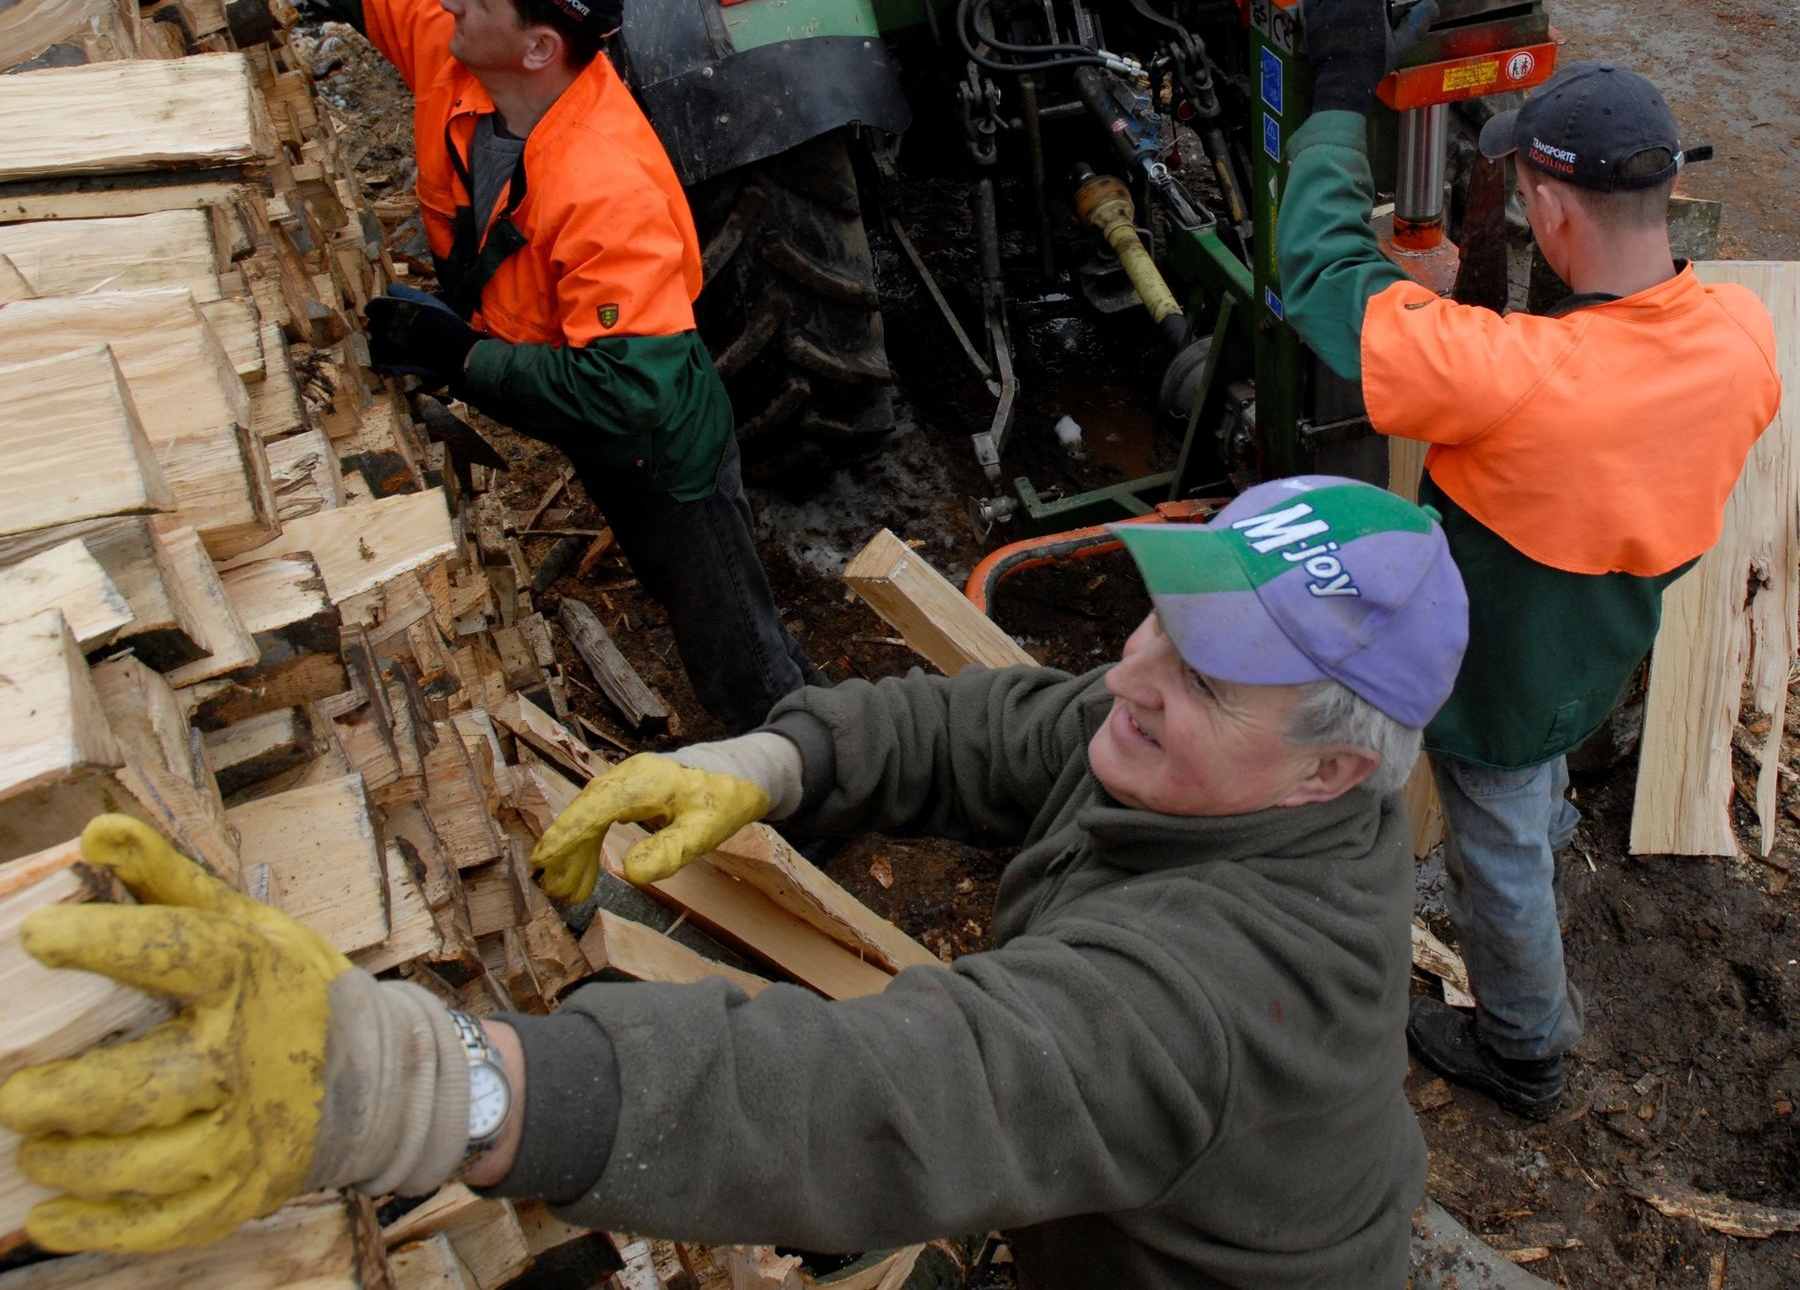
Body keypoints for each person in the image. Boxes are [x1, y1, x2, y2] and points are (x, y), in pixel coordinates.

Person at [0, 476, 1468, 1290]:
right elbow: (991, 722)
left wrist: (424, 1084)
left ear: (1335, 772)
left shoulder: (1217, 991)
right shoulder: (1208, 752)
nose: (1131, 676)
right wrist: (774, 764)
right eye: (1159, 622)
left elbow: (893, 1091)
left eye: (1206, 675)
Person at [134, 0, 815, 732]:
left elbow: (636, 393)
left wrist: (463, 358)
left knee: (720, 618)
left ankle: (803, 764)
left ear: (539, 45)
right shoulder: (458, 47)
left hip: (655, 438)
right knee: (666, 573)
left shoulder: (607, 185)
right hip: (554, 366)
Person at [1277, 0, 1782, 1120]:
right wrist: (1456, 314)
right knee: (1539, 777)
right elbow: (1589, 381)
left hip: (1498, 669)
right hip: (1600, 636)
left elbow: (1317, 274)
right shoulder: (1741, 331)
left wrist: (1337, 95)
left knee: (1498, 842)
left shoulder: (1515, 378)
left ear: (1550, 208)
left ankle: (1527, 1046)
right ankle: (1549, 815)